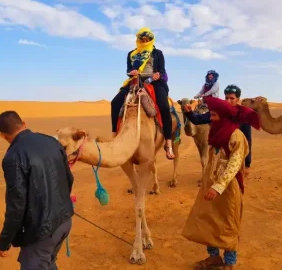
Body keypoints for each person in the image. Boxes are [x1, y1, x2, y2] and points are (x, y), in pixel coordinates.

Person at [181, 97, 260, 270]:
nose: (212, 118)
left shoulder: (236, 135)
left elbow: (235, 163)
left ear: (224, 115)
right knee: (210, 222)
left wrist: (218, 186)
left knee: (228, 224)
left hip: (228, 188)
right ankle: (214, 258)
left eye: (214, 115)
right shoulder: (216, 133)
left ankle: (230, 263)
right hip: (210, 185)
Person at [0, 111, 74, 270]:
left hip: (42, 233)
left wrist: (4, 242)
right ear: (24, 123)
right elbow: (68, 178)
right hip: (65, 222)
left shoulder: (13, 156)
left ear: (2, 135)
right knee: (48, 263)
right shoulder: (51, 141)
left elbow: (16, 205)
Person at [110, 27, 175, 159]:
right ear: (138, 40)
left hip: (155, 82)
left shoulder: (157, 53)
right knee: (115, 103)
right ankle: (114, 134)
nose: (145, 41)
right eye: (142, 39)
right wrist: (132, 72)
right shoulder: (132, 54)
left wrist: (156, 76)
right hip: (136, 80)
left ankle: (168, 142)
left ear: (151, 40)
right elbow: (128, 70)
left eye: (147, 39)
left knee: (163, 106)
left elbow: (161, 70)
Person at [184, 84, 253, 175]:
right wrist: (189, 113)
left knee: (232, 186)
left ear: (238, 99)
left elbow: (247, 140)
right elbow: (198, 120)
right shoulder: (217, 112)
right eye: (226, 98)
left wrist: (247, 164)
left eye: (232, 98)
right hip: (218, 157)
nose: (228, 101)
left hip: (235, 158)